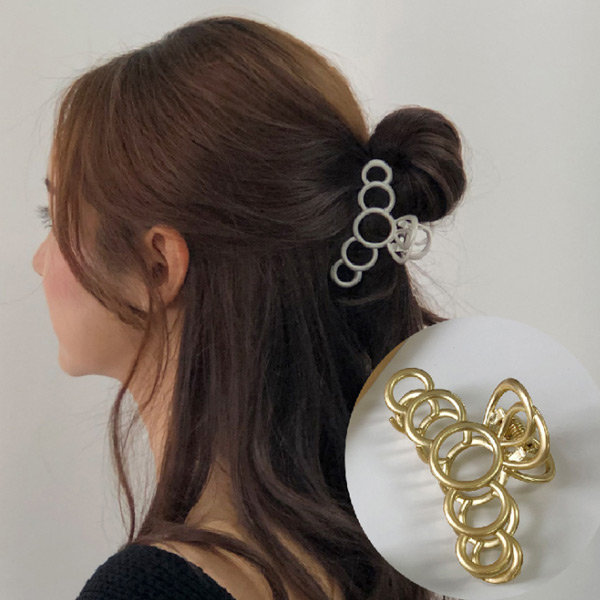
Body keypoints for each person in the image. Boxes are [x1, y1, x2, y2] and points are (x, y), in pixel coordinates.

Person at [32, 14, 466, 600]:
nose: (39, 261)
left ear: (159, 265)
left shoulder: (151, 591)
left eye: (55, 219)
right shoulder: (370, 561)